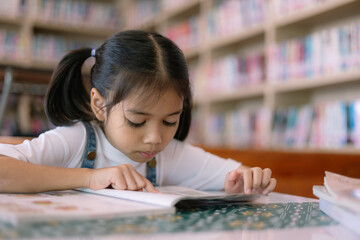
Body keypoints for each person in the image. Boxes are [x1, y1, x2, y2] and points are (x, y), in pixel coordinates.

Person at [0, 30, 276, 195]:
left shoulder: (170, 156)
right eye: (137, 121)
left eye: (170, 121)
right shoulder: (76, 141)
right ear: (99, 105)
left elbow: (237, 175)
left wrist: (247, 182)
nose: (155, 138)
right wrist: (90, 177)